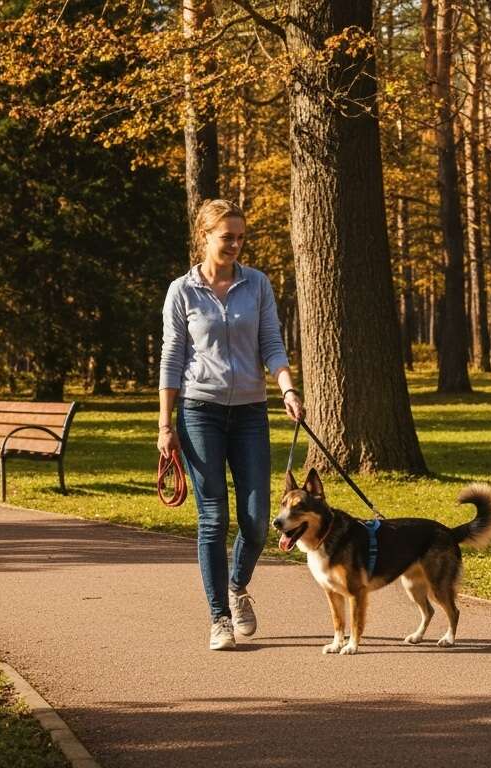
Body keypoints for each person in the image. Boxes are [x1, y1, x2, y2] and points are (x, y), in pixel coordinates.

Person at [158, 199, 304, 650]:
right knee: (213, 516)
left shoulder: (256, 284)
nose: (236, 244)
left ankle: (237, 587)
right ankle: (219, 616)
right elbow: (172, 359)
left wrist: (287, 388)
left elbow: (272, 344)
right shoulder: (181, 291)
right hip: (199, 411)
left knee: (259, 519)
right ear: (205, 236)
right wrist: (166, 426)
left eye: (241, 237)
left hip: (250, 413)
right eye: (228, 237)